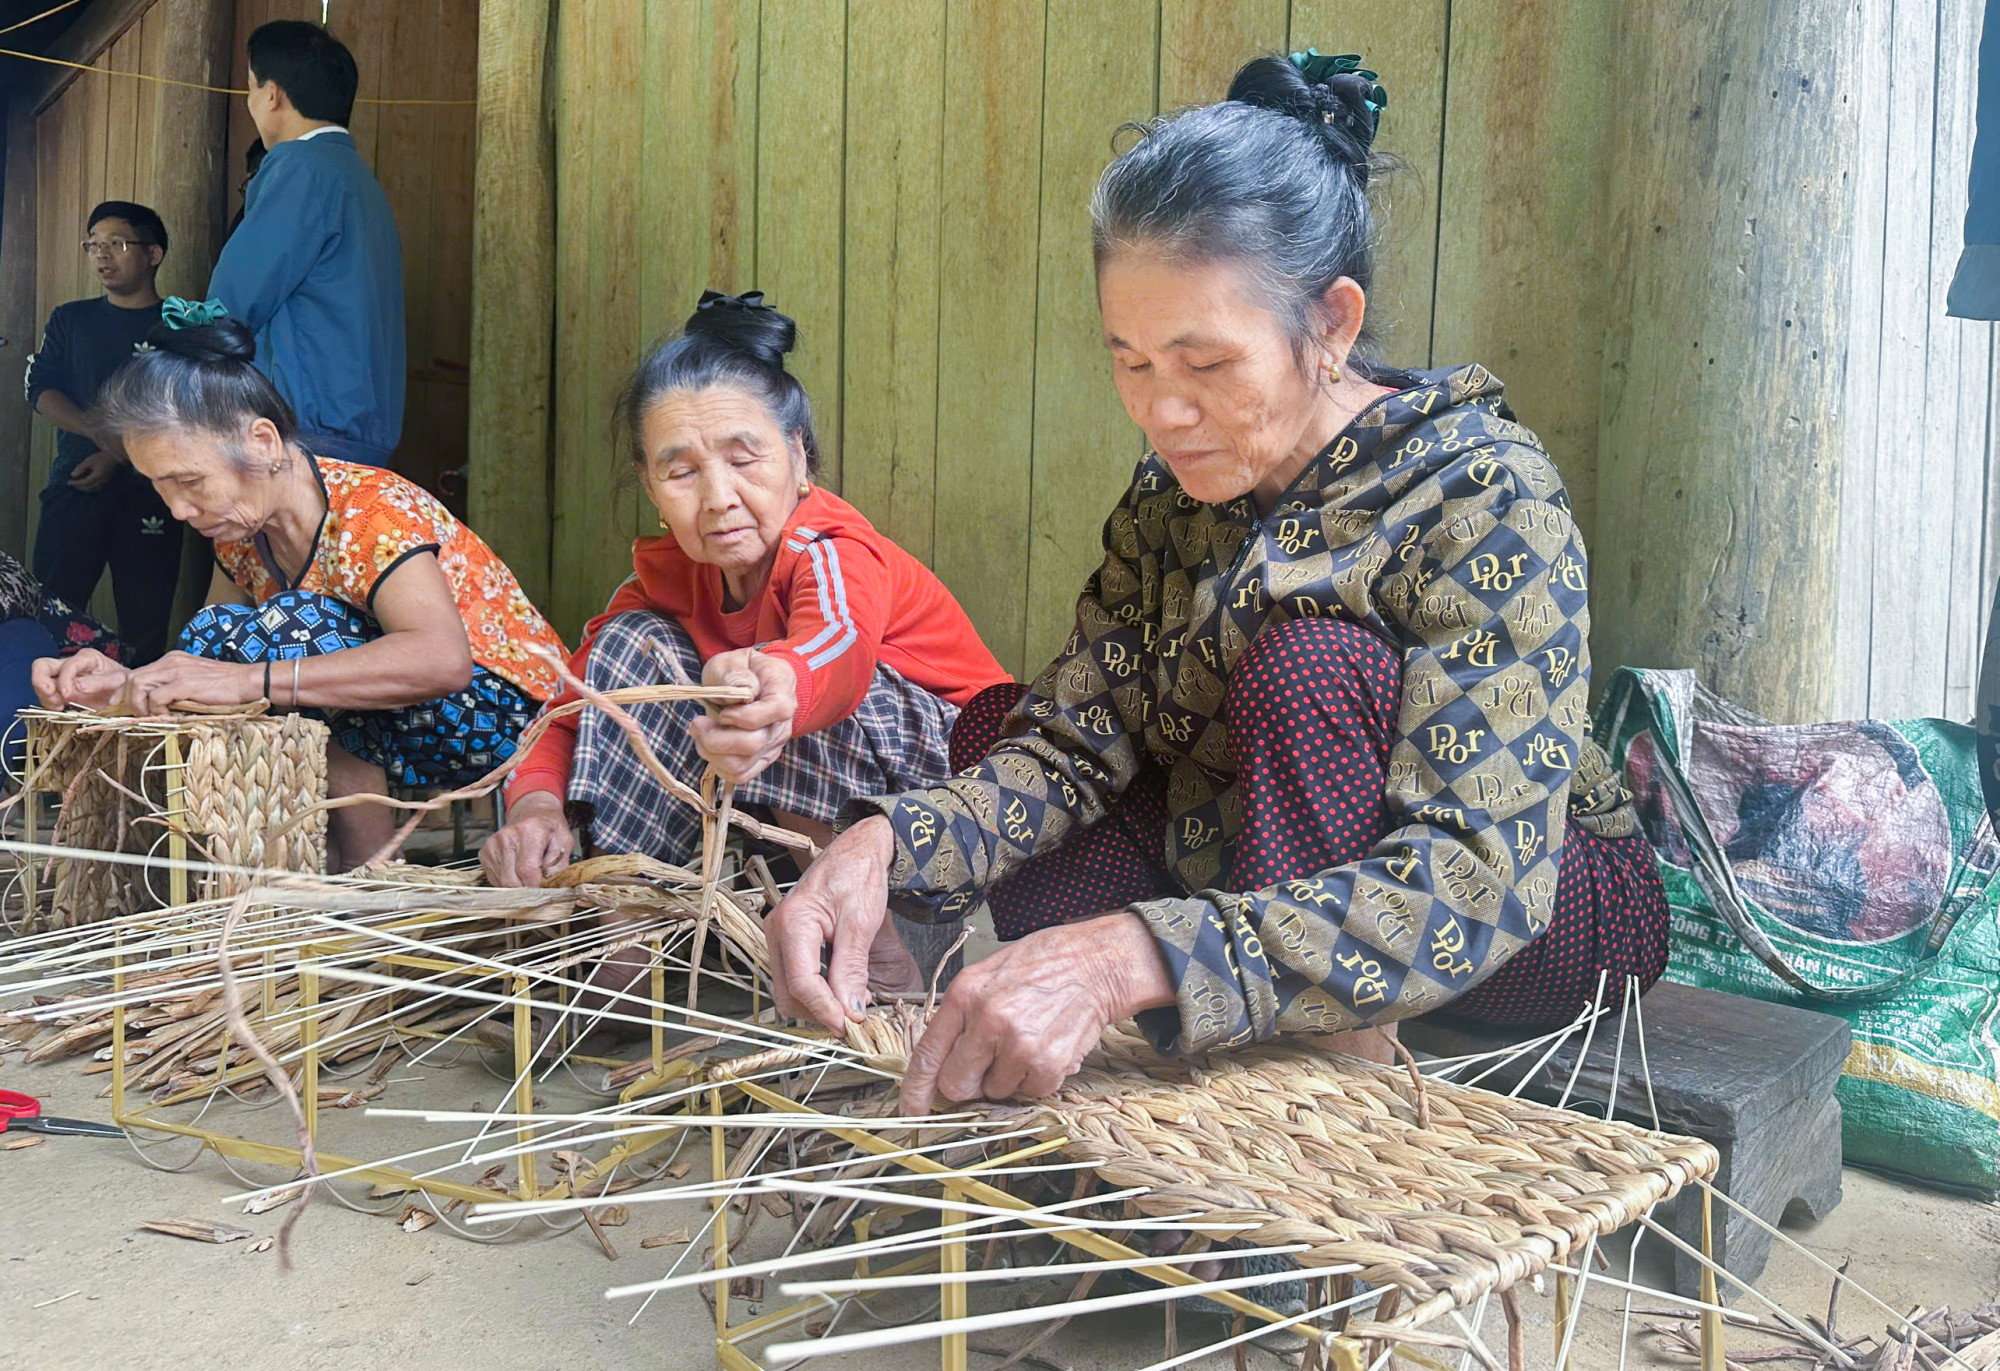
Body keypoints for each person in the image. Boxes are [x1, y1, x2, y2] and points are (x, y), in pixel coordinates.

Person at [768, 51, 1670, 1115]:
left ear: (1329, 325)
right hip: (1251, 851)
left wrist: (1117, 961)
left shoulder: (1483, 496)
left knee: (1311, 666)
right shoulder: (1171, 488)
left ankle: (1325, 1080)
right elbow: (1071, 743)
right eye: (1130, 362)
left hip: (1523, 909)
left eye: (1203, 365)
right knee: (999, 730)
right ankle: (1220, 999)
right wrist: (885, 843)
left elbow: (1472, 883)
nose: (1160, 413)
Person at [481, 290, 1009, 989]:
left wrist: (773, 684)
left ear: (799, 457)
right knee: (632, 647)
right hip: (818, 799)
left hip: (966, 807)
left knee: (760, 679)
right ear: (648, 484)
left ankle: (881, 953)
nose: (718, 496)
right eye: (681, 471)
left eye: (744, 458)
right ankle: (631, 950)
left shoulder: (829, 547)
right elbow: (571, 705)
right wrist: (535, 807)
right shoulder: (668, 579)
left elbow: (836, 651)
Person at [31, 301, 565, 871]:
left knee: (298, 627)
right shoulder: (239, 531)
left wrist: (241, 681)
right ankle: (320, 866)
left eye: (189, 481)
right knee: (222, 631)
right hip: (403, 722)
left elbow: (442, 661)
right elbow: (209, 658)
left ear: (262, 443)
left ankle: (367, 883)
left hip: (512, 722)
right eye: (161, 487)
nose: (179, 509)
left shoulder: (373, 512)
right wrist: (125, 684)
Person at [208, 20, 404, 467]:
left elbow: (230, 305)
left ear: (272, 94)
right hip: (360, 435)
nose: (248, 102)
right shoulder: (357, 180)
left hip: (302, 435)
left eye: (251, 88)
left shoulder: (298, 166)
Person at [23, 201, 183, 664]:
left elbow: (185, 410)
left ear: (153, 254)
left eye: (117, 243)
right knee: (50, 611)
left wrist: (118, 455)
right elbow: (41, 385)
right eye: (94, 244)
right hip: (75, 484)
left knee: (145, 626)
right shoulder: (70, 320)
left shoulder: (179, 326)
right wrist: (100, 436)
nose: (102, 255)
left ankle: (137, 727)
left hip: (153, 493)